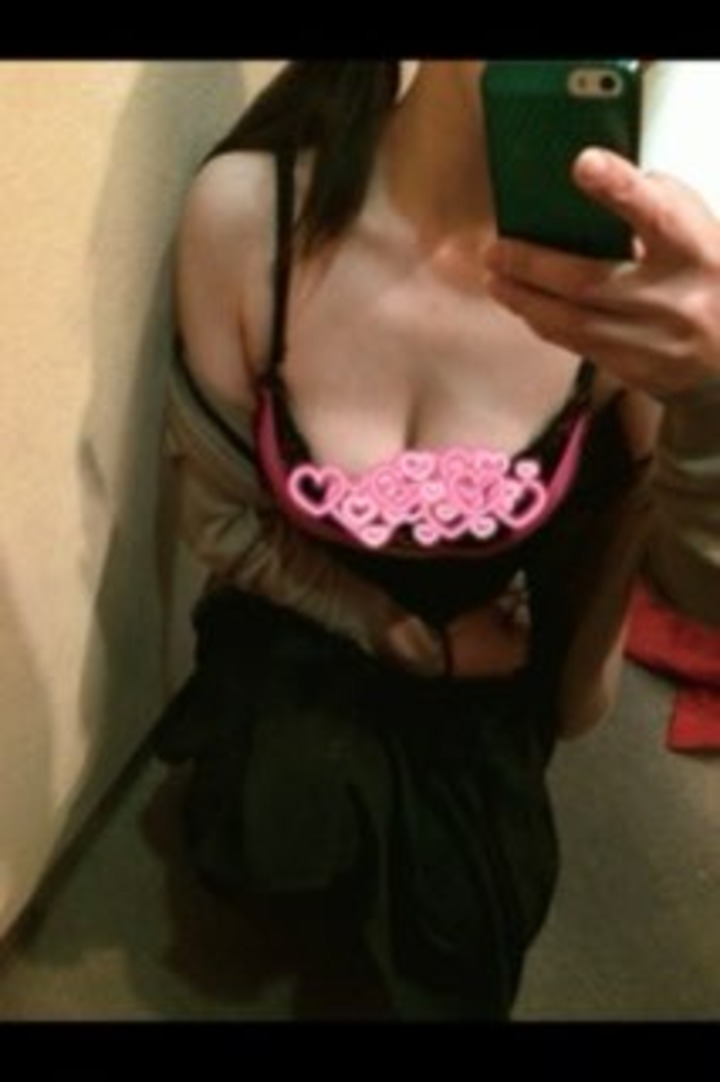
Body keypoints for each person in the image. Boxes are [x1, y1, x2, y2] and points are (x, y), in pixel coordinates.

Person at [152, 61, 720, 1020]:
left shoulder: (637, 290)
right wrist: (398, 635)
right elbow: (220, 520)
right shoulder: (249, 218)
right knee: (275, 822)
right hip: (303, 612)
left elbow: (688, 591)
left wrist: (710, 396)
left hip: (499, 650)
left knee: (462, 938)